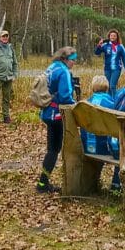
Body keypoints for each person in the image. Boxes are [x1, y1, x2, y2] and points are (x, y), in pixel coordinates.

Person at [36, 46, 77, 193]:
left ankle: (43, 182)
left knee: (51, 149)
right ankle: (43, 183)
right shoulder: (64, 71)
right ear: (65, 59)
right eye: (73, 60)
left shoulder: (52, 66)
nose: (74, 63)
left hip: (47, 111)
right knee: (54, 150)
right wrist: (75, 105)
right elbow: (66, 96)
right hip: (56, 114)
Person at [94, 29, 125, 96]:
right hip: (107, 69)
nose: (112, 37)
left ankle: (115, 101)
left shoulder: (120, 46)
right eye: (111, 35)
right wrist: (99, 45)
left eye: (114, 36)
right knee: (107, 86)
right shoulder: (105, 45)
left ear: (117, 37)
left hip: (116, 69)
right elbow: (97, 53)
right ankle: (109, 100)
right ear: (109, 37)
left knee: (112, 85)